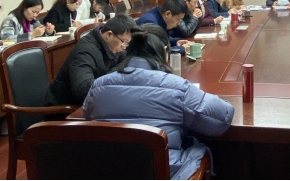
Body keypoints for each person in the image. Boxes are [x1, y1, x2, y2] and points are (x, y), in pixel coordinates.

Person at [83, 24, 234, 179]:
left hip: (106, 171)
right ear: (165, 51)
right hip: (164, 172)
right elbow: (221, 119)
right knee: (198, 149)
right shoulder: (178, 87)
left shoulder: (98, 85)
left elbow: (88, 115)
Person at [45, 14, 140, 106]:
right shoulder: (85, 52)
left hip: (95, 102)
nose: (125, 47)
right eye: (124, 42)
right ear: (109, 35)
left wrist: (110, 76)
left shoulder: (115, 45)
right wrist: (113, 77)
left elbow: (126, 60)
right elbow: (82, 90)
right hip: (66, 108)